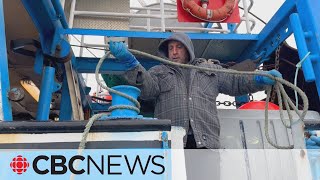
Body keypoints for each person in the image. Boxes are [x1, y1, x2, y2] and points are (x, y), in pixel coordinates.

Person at [109, 32, 282, 149]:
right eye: (170, 48)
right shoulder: (159, 72)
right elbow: (147, 90)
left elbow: (235, 81)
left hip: (207, 144)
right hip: (172, 144)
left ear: (188, 49)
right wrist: (131, 64)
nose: (174, 52)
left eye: (179, 47)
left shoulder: (210, 69)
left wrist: (259, 79)